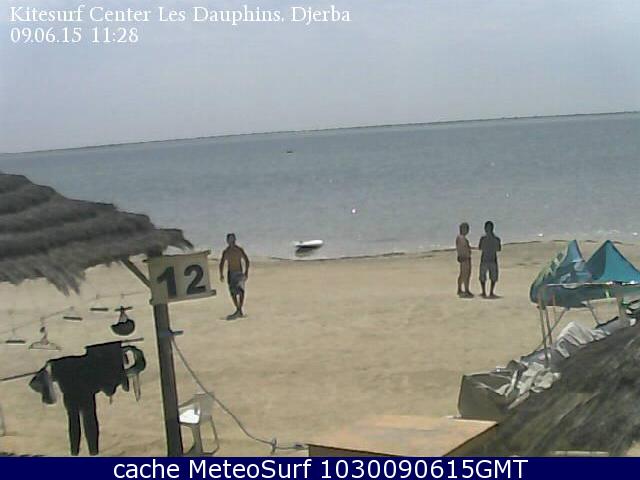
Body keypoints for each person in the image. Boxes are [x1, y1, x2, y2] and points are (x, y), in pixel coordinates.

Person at [219, 233, 250, 319]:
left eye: (232, 239)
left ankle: (240, 309)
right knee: (232, 293)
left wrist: (246, 272)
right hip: (230, 273)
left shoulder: (239, 250)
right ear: (227, 241)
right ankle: (238, 308)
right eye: (229, 239)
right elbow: (222, 263)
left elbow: (247, 260)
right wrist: (221, 274)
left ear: (235, 239)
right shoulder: (226, 252)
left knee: (241, 292)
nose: (231, 241)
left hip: (239, 273)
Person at [478, 221, 501, 298]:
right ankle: (489, 292)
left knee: (484, 276)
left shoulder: (484, 238)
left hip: (486, 259)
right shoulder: (496, 239)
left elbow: (480, 248)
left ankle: (485, 292)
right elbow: (498, 249)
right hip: (491, 259)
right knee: (491, 277)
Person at [456, 222, 473, 297]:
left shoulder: (461, 238)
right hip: (465, 258)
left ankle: (461, 289)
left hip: (464, 257)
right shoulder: (461, 238)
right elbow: (462, 248)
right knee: (466, 274)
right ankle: (466, 289)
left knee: (463, 274)